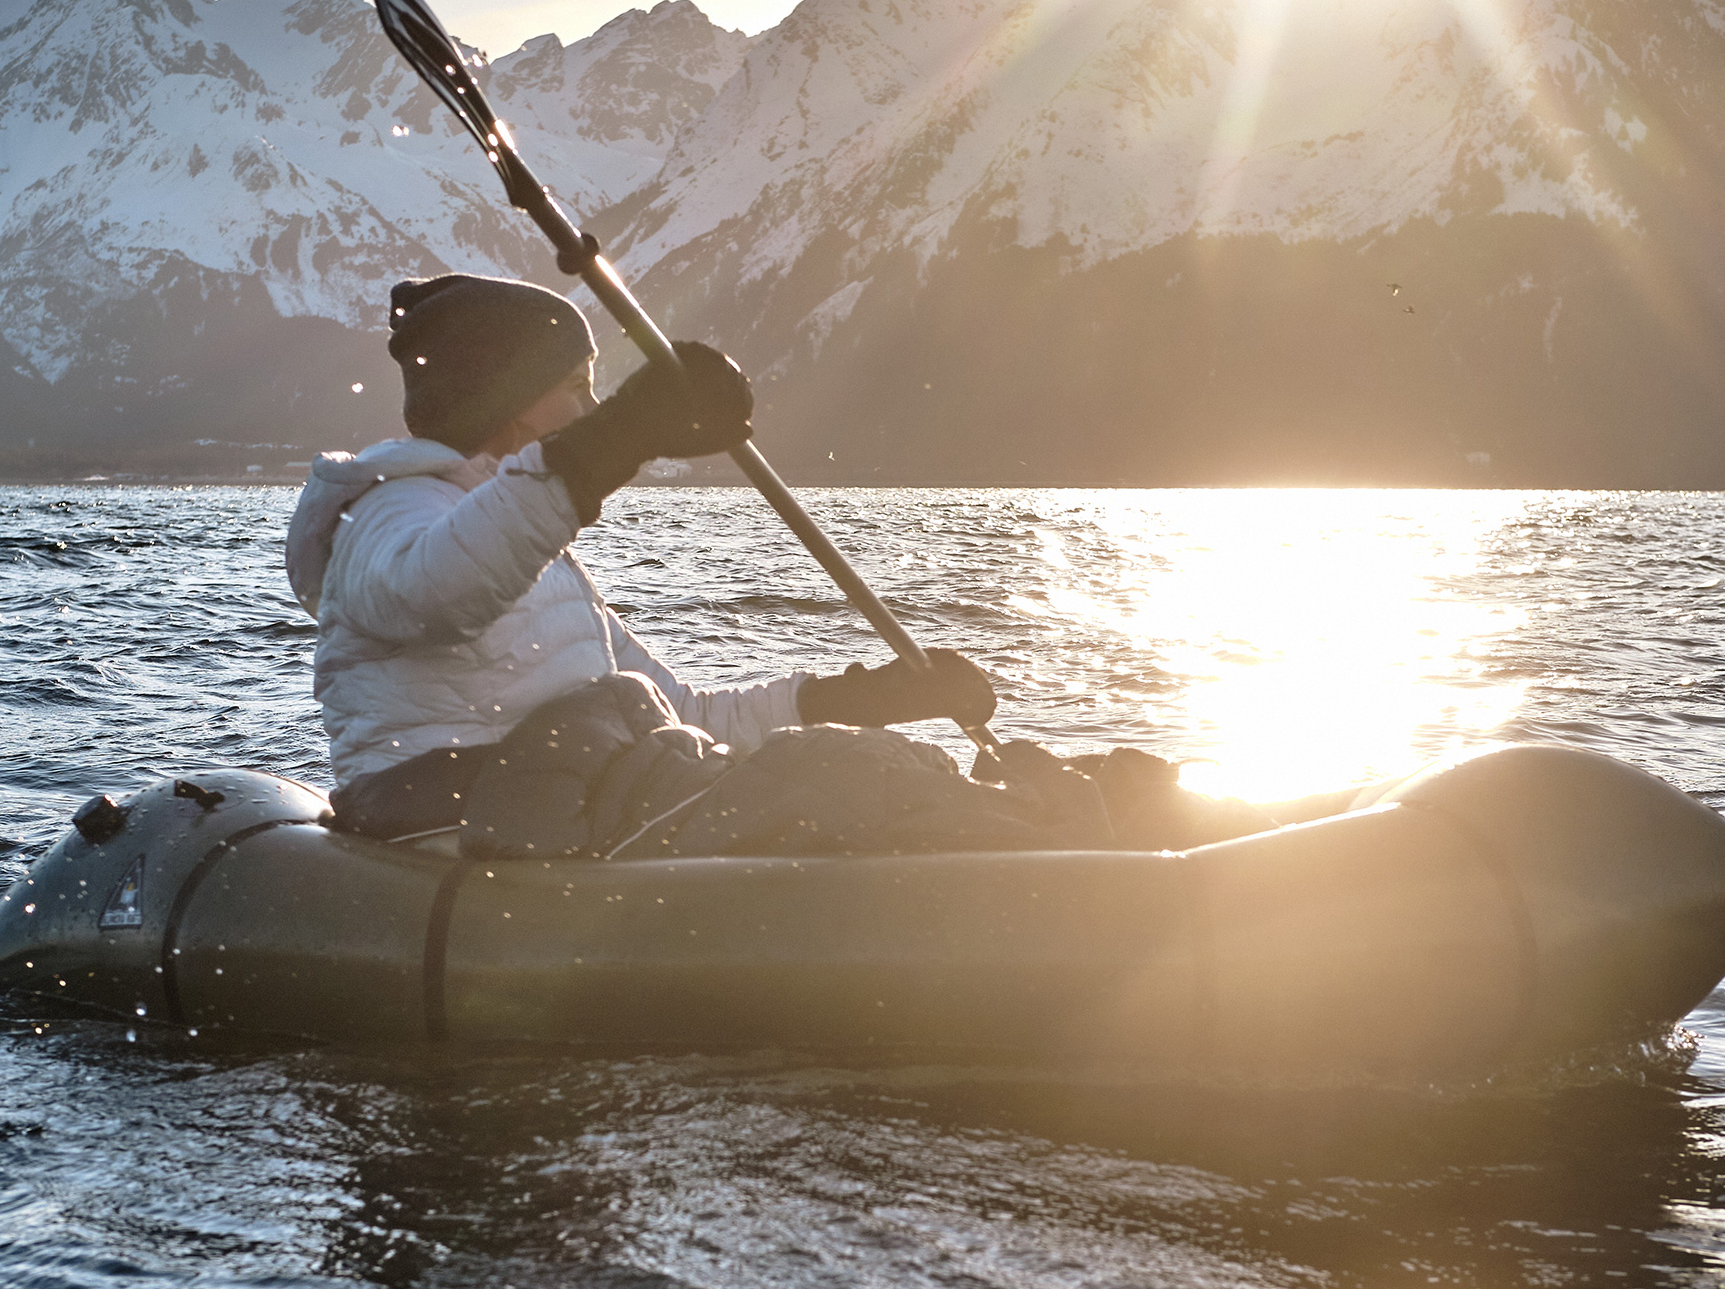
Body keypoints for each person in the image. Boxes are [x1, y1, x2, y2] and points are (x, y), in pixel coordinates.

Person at [284, 273, 1111, 859]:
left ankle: (1056, 826)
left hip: (580, 796)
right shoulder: (389, 511)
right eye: (573, 388)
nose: (589, 411)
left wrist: (860, 699)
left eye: (597, 394)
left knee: (852, 763)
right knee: (832, 782)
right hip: (482, 818)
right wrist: (620, 438)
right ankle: (1064, 860)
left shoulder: (535, 553)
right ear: (500, 395)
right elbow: (438, 592)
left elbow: (685, 714)